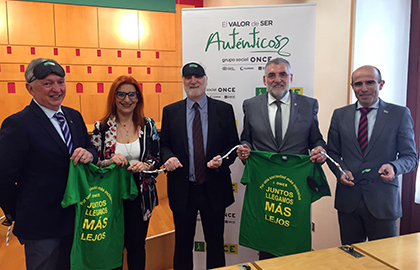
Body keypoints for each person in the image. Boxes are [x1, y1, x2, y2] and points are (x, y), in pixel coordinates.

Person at [0, 58, 98, 270]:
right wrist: (18, 213)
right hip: (40, 228)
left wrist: (90, 154)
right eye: (47, 83)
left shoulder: (74, 116)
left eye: (61, 82)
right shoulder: (17, 124)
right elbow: (4, 178)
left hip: (77, 220)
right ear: (30, 88)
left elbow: (91, 148)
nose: (57, 89)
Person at [236, 57, 327, 259]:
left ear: (291, 77)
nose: (277, 79)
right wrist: (245, 149)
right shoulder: (250, 105)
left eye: (283, 74)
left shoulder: (308, 104)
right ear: (264, 79)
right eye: (272, 75)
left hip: (295, 187)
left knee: (294, 237)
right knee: (266, 235)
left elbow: (316, 139)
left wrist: (320, 149)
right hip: (264, 186)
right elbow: (246, 139)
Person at [160, 62, 240, 270]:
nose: (193, 81)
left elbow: (233, 145)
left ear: (205, 80)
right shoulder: (170, 111)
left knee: (215, 243)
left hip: (213, 187)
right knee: (182, 244)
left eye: (197, 77)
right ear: (183, 82)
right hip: (182, 188)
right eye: (188, 77)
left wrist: (223, 159)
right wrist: (167, 157)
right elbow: (164, 145)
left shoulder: (224, 110)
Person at [326, 65, 418, 245]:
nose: (364, 88)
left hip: (383, 202)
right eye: (358, 84)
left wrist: (394, 167)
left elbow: (411, 157)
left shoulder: (399, 114)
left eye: (370, 82)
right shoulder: (339, 115)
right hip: (348, 202)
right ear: (352, 87)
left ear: (381, 84)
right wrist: (340, 171)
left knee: (385, 260)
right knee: (351, 258)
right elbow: (332, 153)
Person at [90, 75, 161, 270]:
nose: (126, 99)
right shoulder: (101, 128)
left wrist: (146, 166)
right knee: (113, 247)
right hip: (111, 198)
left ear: (138, 98)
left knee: (137, 246)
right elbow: (94, 164)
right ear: (113, 97)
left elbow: (156, 157)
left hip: (141, 197)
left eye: (132, 94)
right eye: (121, 94)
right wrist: (109, 161)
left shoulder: (148, 125)